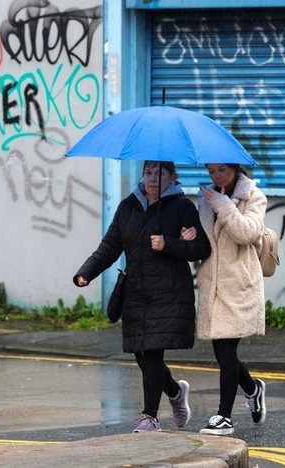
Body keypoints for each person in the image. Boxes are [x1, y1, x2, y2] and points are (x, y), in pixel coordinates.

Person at [73, 161, 211, 433]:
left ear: (172, 177)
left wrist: (169, 244)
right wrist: (86, 272)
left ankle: (150, 417)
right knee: (141, 354)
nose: (152, 179)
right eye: (148, 173)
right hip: (135, 292)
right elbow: (110, 246)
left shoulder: (182, 207)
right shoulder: (128, 206)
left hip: (168, 293)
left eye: (159, 174)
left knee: (151, 355)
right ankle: (174, 391)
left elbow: (201, 247)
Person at [193, 163, 268, 436]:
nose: (216, 176)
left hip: (238, 285)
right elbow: (205, 241)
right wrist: (189, 236)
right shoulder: (205, 198)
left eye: (222, 170)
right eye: (211, 171)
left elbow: (247, 232)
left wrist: (224, 205)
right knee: (224, 353)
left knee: (226, 352)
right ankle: (252, 388)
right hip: (212, 285)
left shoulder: (253, 196)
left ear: (235, 168)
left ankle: (224, 416)